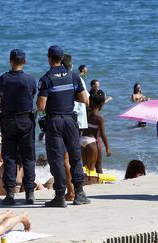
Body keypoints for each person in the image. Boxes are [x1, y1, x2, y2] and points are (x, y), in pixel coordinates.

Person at [37, 45, 90, 207]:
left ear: (49, 58)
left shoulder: (46, 79)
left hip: (54, 121)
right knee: (75, 156)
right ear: (62, 59)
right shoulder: (73, 76)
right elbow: (84, 100)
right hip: (70, 121)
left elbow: (41, 106)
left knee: (57, 158)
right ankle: (79, 193)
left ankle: (60, 195)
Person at [0, 49, 37, 205]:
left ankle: (10, 193)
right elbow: (32, 94)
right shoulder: (29, 79)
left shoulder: (3, 79)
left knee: (9, 157)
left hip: (8, 120)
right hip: (25, 119)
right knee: (28, 157)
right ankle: (29, 192)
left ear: (10, 61)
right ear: (24, 62)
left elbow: (1, 95)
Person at [61, 53, 89, 201]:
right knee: (75, 157)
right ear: (71, 65)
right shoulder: (78, 80)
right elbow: (87, 101)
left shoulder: (63, 79)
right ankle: (77, 189)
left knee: (65, 158)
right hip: (79, 123)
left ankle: (71, 190)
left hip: (68, 119)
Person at [81, 95, 111, 173]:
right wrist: (107, 148)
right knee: (93, 167)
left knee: (84, 166)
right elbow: (103, 134)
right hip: (91, 142)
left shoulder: (87, 111)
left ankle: (85, 182)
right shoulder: (99, 117)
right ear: (101, 104)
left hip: (81, 140)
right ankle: (96, 184)